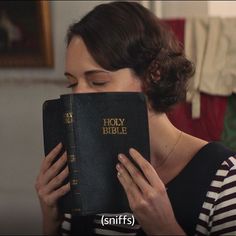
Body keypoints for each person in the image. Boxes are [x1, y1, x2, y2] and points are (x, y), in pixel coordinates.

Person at [35, 2, 236, 235]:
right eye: (72, 83)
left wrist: (165, 228)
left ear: (154, 75)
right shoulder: (79, 174)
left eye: (98, 81)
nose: (78, 96)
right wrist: (51, 223)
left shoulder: (225, 179)